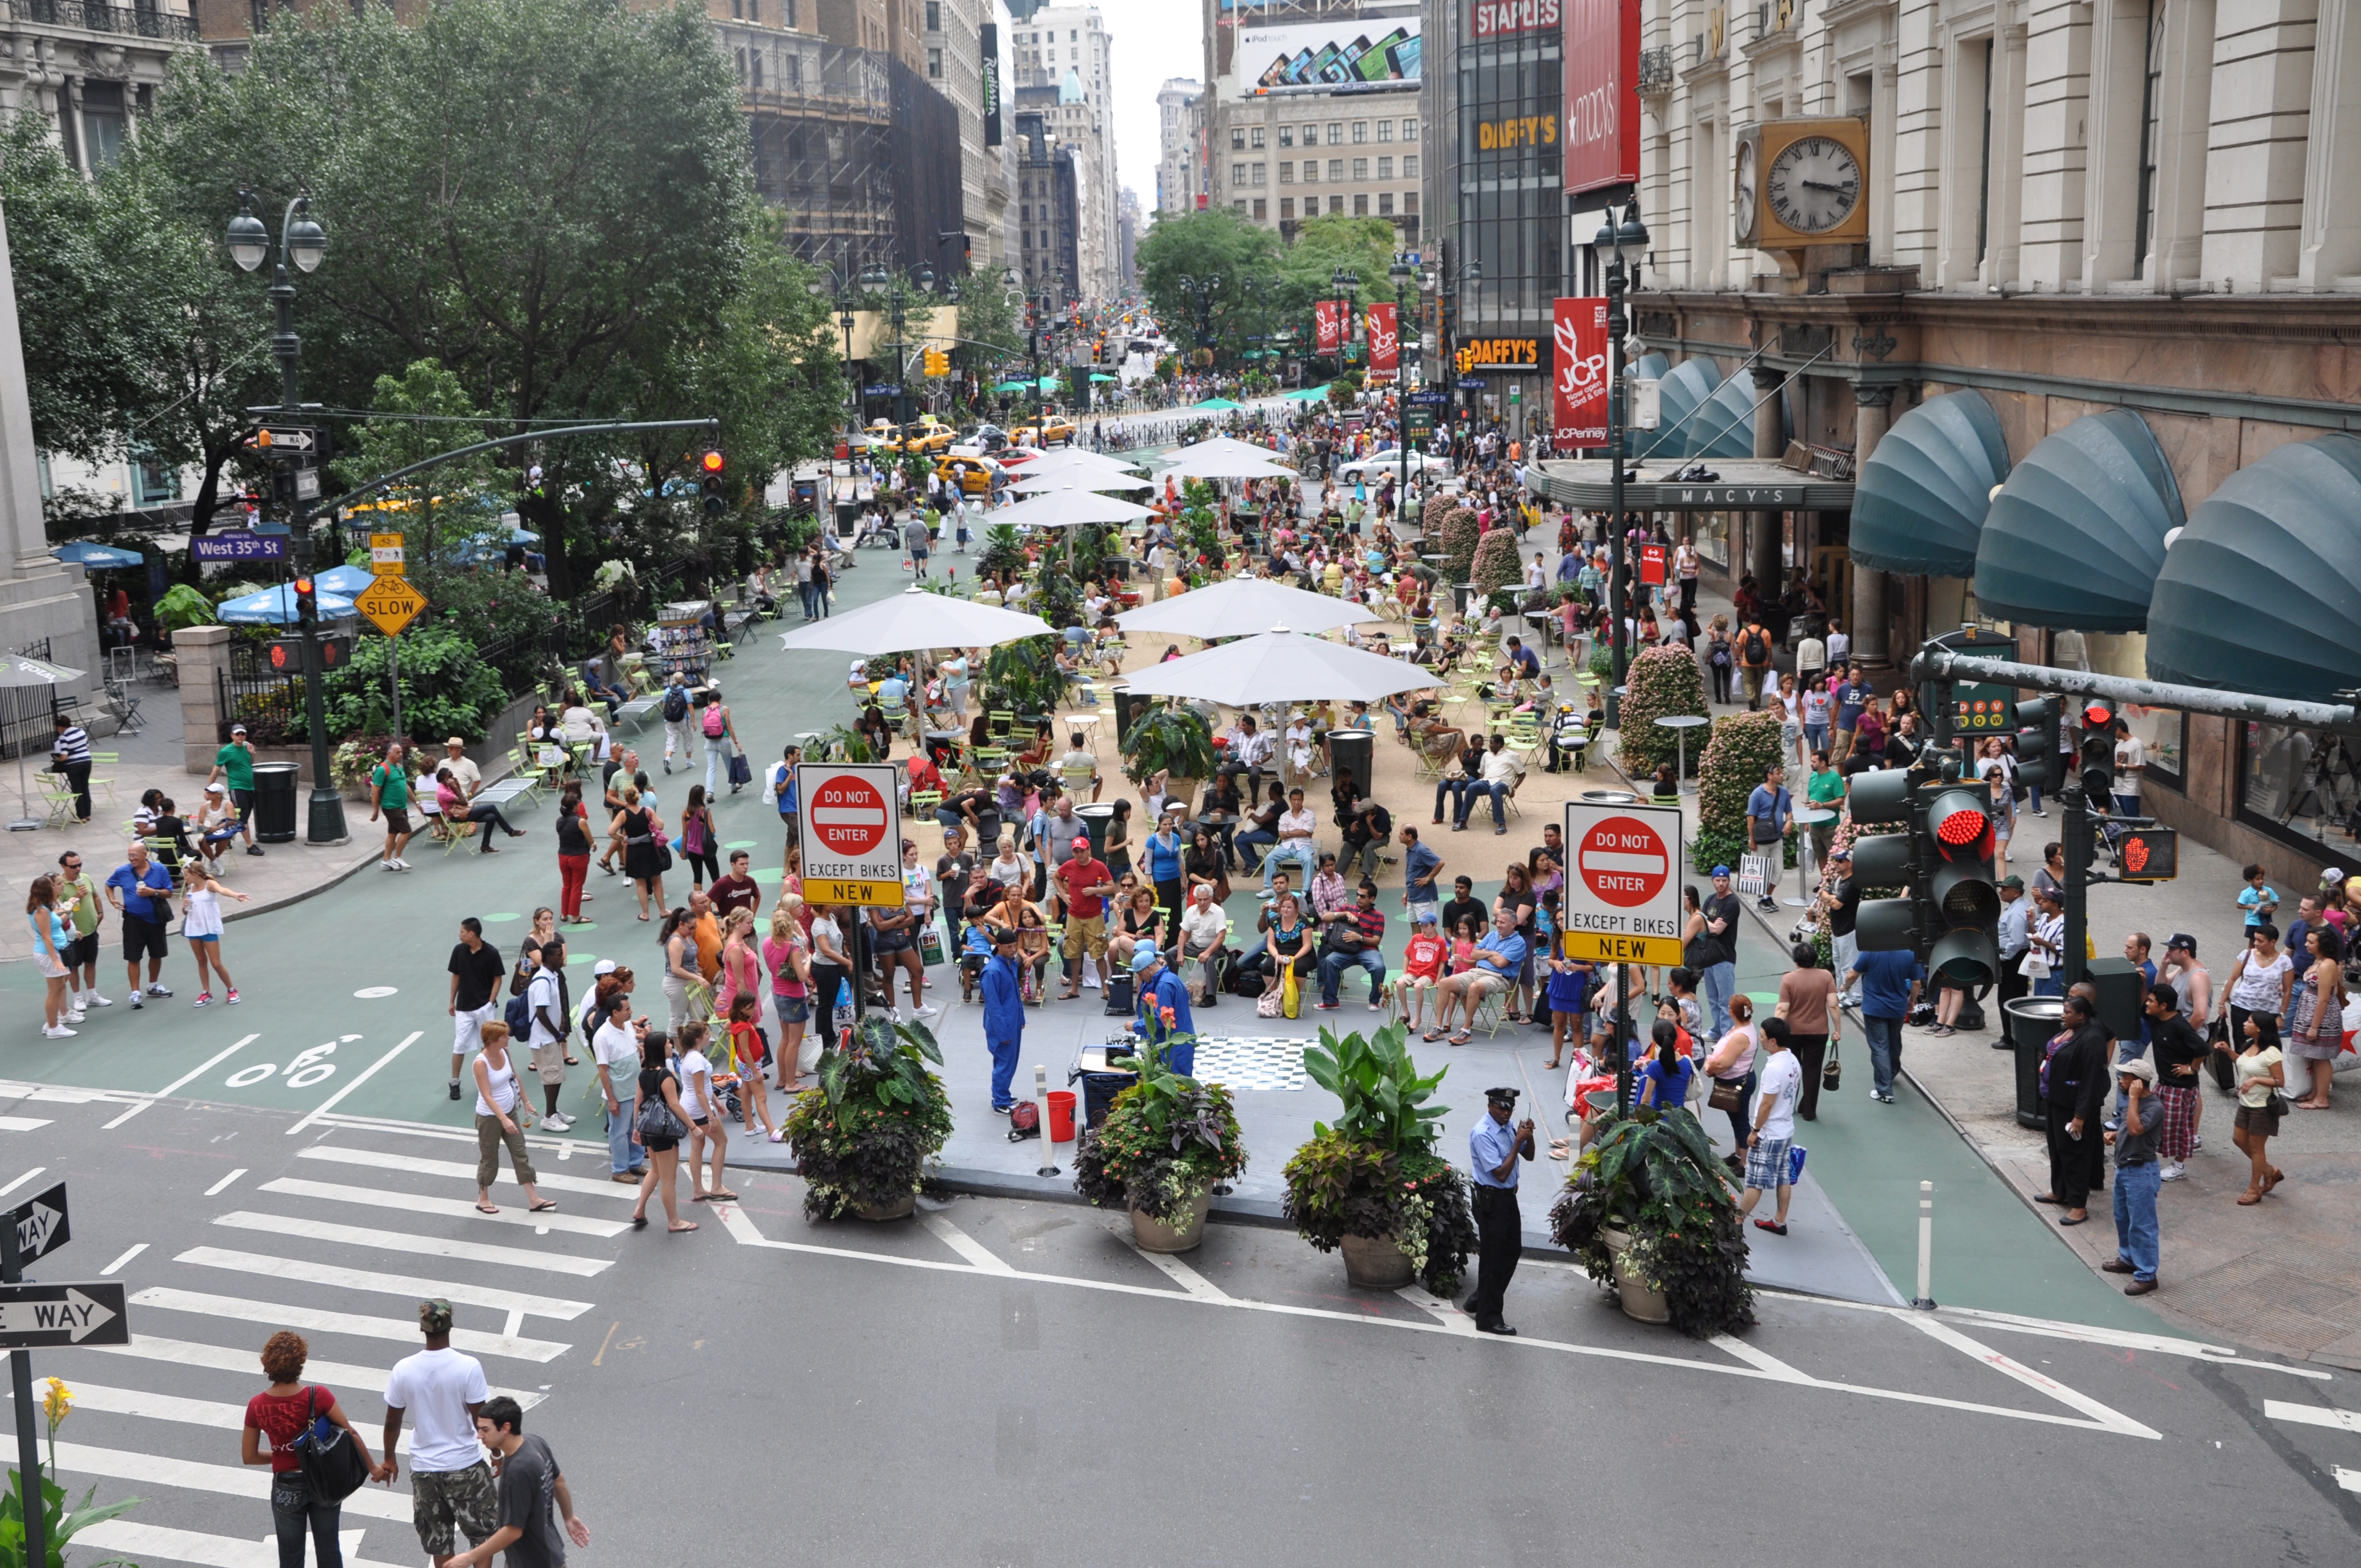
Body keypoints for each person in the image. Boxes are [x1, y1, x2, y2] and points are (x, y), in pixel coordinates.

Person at [243, 1328, 382, 1568]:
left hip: (286, 1486)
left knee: (290, 1557)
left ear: (267, 1364)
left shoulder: (257, 1406)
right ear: (301, 1362)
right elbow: (351, 1433)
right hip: (324, 1482)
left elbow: (250, 1456)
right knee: (329, 1552)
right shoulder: (318, 1396)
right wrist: (373, 1468)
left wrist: (281, 1454)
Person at [381, 1299, 496, 1568]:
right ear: (451, 1325)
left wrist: (389, 1459)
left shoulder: (403, 1369)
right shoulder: (468, 1366)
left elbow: (392, 1421)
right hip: (465, 1467)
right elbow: (482, 1419)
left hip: (425, 1471)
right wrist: (497, 1452)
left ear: (422, 1329)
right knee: (482, 1536)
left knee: (439, 1540)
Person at [445, 1396, 590, 1568]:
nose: (479, 1436)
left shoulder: (519, 1470)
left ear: (506, 1428)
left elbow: (513, 1530)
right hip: (545, 1554)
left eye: (485, 1430)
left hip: (533, 1561)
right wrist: (569, 1517)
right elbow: (559, 1480)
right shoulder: (535, 1443)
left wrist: (469, 1558)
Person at [2036, 993, 2112, 1226]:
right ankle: (2059, 1190)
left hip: (2073, 1108)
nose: (2063, 1015)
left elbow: (2089, 1082)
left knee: (2074, 1154)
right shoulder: (2072, 1031)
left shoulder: (2092, 1040)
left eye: (2067, 1012)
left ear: (2081, 1015)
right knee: (2057, 1148)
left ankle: (2078, 1206)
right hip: (2056, 1101)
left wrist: (2080, 1117)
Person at [1464, 1086, 1533, 1336]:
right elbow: (1501, 1175)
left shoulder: (1510, 1127)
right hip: (1491, 1201)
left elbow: (1531, 1156)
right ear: (1490, 1106)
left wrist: (1528, 1136)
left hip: (1508, 1200)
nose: (1507, 1113)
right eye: (1502, 1108)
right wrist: (1517, 1141)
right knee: (1493, 1260)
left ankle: (1480, 1299)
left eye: (1510, 1108)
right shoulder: (1483, 1133)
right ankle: (1488, 1318)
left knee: (1512, 1252)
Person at [469, 1021, 556, 1216]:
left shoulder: (505, 1053)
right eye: (504, 1036)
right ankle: (483, 1198)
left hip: (509, 1112)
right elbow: (486, 1095)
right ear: (493, 1040)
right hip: (490, 1118)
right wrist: (504, 1119)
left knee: (520, 1153)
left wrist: (526, 1102)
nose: (509, 1038)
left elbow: (514, 1077)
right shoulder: (481, 1063)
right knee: (489, 1158)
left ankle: (534, 1199)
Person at [1428, 906, 1527, 1046]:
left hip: (1499, 977)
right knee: (1445, 983)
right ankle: (1438, 1028)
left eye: (1502, 922)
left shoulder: (1518, 942)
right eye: (1498, 921)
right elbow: (1474, 954)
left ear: (1513, 924)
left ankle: (1466, 1031)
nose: (1498, 924)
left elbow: (1500, 963)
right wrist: (1491, 953)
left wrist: (1485, 953)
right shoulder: (1491, 935)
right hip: (1477, 971)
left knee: (1474, 987)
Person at [1740, 1017, 1801, 1235]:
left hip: (1769, 1133)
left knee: (1755, 1181)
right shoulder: (1793, 1061)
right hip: (1785, 1130)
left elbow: (1767, 1104)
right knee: (1783, 1176)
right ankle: (1779, 1220)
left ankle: (1736, 1222)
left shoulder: (1774, 1068)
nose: (1760, 1039)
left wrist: (1755, 1130)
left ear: (1773, 1041)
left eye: (1763, 1036)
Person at [1845, 946, 1923, 1104]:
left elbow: (1853, 974)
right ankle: (1891, 1073)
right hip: (1897, 1008)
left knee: (1880, 1047)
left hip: (1874, 1008)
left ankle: (1884, 1090)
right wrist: (1912, 1001)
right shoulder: (1910, 954)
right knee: (1894, 1042)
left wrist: (1844, 987)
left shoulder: (1871, 952)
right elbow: (1917, 983)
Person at [105, 838, 175, 1009]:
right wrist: (113, 900)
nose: (132, 859)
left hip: (156, 920)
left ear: (145, 855)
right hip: (133, 921)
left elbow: (169, 893)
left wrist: (154, 892)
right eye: (129, 856)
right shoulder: (122, 872)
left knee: (157, 954)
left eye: (135, 855)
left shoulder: (159, 870)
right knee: (133, 957)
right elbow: (109, 885)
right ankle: (135, 993)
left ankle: (153, 985)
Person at [2286, 922, 2345, 1110]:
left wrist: (2314, 1026)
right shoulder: (2318, 960)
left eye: (2311, 942)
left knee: (2321, 1056)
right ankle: (2314, 1093)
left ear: (2322, 944)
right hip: (2309, 1012)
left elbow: (2324, 999)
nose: (2306, 945)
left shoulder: (2328, 964)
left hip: (2322, 1017)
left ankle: (2322, 1098)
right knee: (2313, 1055)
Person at [1775, 942, 1837, 1120]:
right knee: (1813, 1070)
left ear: (1796, 961)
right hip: (1819, 1031)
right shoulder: (1826, 976)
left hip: (1793, 1032)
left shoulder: (1789, 979)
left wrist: (1776, 1029)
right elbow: (1833, 1004)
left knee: (1791, 1068)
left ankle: (1788, 1104)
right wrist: (1838, 1029)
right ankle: (1809, 1110)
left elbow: (1783, 1008)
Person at [674, 1021, 735, 1204]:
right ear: (699, 1038)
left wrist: (716, 1101)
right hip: (699, 1110)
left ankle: (698, 1189)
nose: (710, 1036)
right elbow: (700, 1091)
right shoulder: (697, 1060)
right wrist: (711, 1116)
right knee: (721, 1142)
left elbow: (702, 1086)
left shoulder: (689, 1056)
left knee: (697, 1146)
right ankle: (716, 1187)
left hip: (690, 1106)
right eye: (707, 1034)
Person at [2231, 1013, 2287, 1206]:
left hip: (2262, 1107)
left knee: (2257, 1148)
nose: (2245, 1024)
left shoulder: (2271, 1052)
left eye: (2249, 1022)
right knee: (2238, 1139)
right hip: (2246, 1103)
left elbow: (2280, 1081)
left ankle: (2254, 1189)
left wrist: (2255, 1080)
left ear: (2260, 1028)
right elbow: (2245, 1064)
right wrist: (2227, 1051)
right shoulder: (2250, 1044)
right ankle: (2270, 1171)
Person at [180, 861, 249, 1006]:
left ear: (195, 874)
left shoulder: (209, 884)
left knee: (216, 963)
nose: (184, 878)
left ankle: (231, 990)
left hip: (208, 929)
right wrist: (185, 908)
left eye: (186, 875)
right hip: (194, 929)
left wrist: (236, 895)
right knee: (201, 961)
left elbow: (223, 890)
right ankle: (206, 992)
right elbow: (186, 911)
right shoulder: (190, 888)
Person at [1316, 879, 1389, 1012]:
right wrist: (1344, 914)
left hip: (1367, 950)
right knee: (1329, 961)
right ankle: (1330, 1001)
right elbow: (1325, 917)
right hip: (1345, 950)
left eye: (1363, 896)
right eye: (1357, 894)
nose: (1359, 898)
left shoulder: (1378, 916)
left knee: (1379, 967)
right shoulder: (1348, 908)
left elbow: (1376, 941)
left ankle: (1374, 1001)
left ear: (1372, 898)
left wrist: (1359, 938)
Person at [1130, 944, 1196, 1076]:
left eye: (1140, 974)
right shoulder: (1168, 978)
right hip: (1176, 1042)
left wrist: (1136, 1026)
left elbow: (1161, 1020)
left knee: (1177, 1088)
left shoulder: (1164, 985)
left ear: (1149, 968)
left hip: (1174, 1046)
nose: (1140, 978)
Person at [53, 850, 105, 1015]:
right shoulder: (60, 886)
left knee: (91, 962)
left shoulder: (86, 878)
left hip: (91, 930)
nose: (78, 869)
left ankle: (92, 994)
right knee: (74, 966)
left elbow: (95, 896)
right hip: (73, 934)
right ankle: (78, 998)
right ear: (64, 866)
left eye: (80, 865)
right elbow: (59, 911)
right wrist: (76, 896)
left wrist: (100, 913)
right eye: (73, 866)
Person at [981, 923, 1025, 1113]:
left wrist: (1021, 1018)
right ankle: (1000, 1101)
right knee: (1004, 1063)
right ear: (999, 946)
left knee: (1009, 1061)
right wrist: (1003, 1032)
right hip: (1002, 1025)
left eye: (1015, 946)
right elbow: (993, 1006)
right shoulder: (993, 971)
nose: (1013, 950)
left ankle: (1002, 1093)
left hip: (1012, 1021)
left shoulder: (1008, 965)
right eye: (1009, 947)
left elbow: (1015, 995)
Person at [206, 722, 266, 857]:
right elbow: (216, 769)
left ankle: (225, 837)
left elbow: (249, 764)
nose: (240, 736)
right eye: (237, 734)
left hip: (250, 787)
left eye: (243, 734)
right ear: (232, 736)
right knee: (242, 817)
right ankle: (250, 845)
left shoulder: (247, 747)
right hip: (237, 787)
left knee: (236, 816)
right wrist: (209, 789)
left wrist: (253, 754)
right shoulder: (226, 752)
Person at [28, 875, 75, 1038]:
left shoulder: (44, 908)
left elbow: (55, 919)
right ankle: (53, 1028)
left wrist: (66, 909)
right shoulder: (41, 911)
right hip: (50, 955)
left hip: (55, 952)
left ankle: (51, 1022)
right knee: (54, 992)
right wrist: (55, 959)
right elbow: (46, 937)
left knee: (60, 987)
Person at [1699, 866, 1741, 1039]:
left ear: (1729, 881)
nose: (1721, 884)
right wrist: (1705, 921)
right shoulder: (1710, 899)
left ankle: (1727, 1037)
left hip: (1724, 959)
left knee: (1726, 1001)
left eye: (1725, 881)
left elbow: (1716, 929)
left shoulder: (1732, 903)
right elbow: (1704, 925)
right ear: (1713, 881)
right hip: (1709, 958)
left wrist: (1703, 919)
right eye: (1718, 880)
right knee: (1713, 998)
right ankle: (1717, 1031)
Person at [1745, 763, 1794, 910]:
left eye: (1781, 772)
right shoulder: (1757, 794)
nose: (1781, 775)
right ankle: (1761, 900)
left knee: (1778, 871)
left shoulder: (1784, 793)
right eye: (1778, 773)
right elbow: (1750, 818)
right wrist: (1752, 840)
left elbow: (1789, 811)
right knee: (1760, 872)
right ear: (1769, 776)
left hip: (1777, 839)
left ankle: (1768, 896)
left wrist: (1789, 821)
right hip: (1761, 840)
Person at [48, 712, 91, 824]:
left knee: (77, 790)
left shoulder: (64, 737)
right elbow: (87, 745)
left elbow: (64, 756)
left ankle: (81, 816)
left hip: (74, 765)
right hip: (87, 761)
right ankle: (88, 814)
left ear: (60, 727)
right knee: (85, 787)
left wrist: (58, 759)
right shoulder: (81, 731)